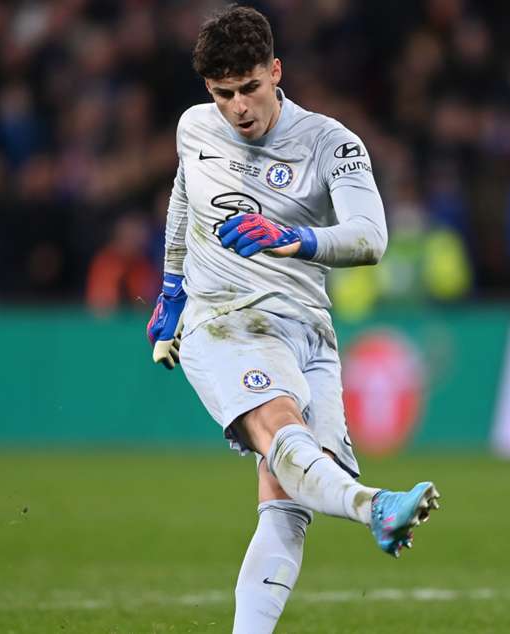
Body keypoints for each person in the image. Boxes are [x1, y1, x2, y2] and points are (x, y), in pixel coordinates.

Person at [145, 6, 440, 633]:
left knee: (289, 502)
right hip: (224, 319)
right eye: (223, 93)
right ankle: (376, 507)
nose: (238, 108)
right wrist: (171, 292)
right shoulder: (195, 127)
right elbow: (184, 196)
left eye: (249, 88)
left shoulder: (331, 143)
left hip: (309, 330)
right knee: (280, 427)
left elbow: (370, 237)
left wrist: (292, 239)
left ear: (276, 71)